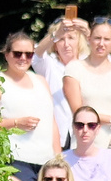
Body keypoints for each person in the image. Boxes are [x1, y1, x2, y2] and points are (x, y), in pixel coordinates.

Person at [0, 31, 60, 181]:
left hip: (47, 161)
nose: (23, 58)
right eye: (17, 53)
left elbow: (51, 123)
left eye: (29, 54)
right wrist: (16, 122)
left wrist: (59, 158)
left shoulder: (40, 81)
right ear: (7, 54)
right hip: (15, 159)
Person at [64, 17, 111, 165]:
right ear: (89, 39)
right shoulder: (74, 69)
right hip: (82, 147)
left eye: (106, 39)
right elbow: (78, 111)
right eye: (97, 38)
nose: (101, 43)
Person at [34, 16, 90, 150]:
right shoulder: (49, 65)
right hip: (57, 137)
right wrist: (55, 34)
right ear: (55, 44)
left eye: (71, 38)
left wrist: (88, 33)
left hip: (86, 132)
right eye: (61, 39)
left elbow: (104, 53)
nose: (66, 44)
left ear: (79, 41)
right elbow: (36, 54)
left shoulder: (88, 63)